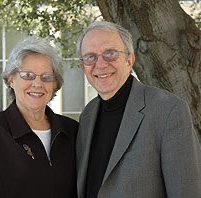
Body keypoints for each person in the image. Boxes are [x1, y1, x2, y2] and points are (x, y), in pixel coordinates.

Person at [76, 21, 201, 198]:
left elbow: (187, 192)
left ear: (129, 60)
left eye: (110, 54)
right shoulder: (87, 116)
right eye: (90, 57)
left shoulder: (169, 111)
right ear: (83, 67)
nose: (100, 64)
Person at [0, 36, 78, 198]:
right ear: (11, 79)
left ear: (55, 84)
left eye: (46, 77)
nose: (37, 84)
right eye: (28, 75)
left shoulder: (71, 131)